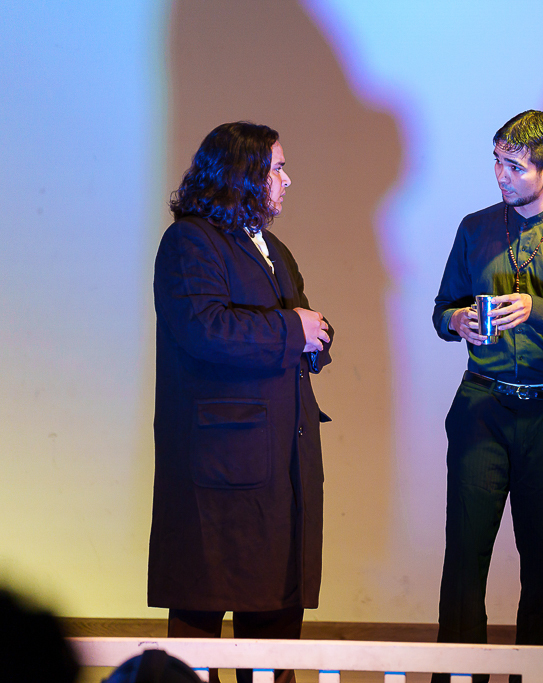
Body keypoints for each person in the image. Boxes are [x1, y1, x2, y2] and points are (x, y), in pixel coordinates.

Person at [431, 110, 543, 683]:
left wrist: (541, 311)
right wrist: (458, 319)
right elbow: (440, 312)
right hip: (481, 405)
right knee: (464, 562)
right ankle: (460, 679)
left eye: (514, 165)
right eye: (496, 161)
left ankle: (534, 679)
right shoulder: (475, 226)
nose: (500, 175)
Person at [149, 122, 332, 683]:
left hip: (280, 458)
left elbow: (292, 324)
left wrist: (316, 336)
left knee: (274, 622)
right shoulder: (190, 241)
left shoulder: (271, 246)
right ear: (242, 175)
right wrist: (290, 330)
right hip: (220, 468)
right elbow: (204, 328)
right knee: (203, 621)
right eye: (276, 168)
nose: (287, 179)